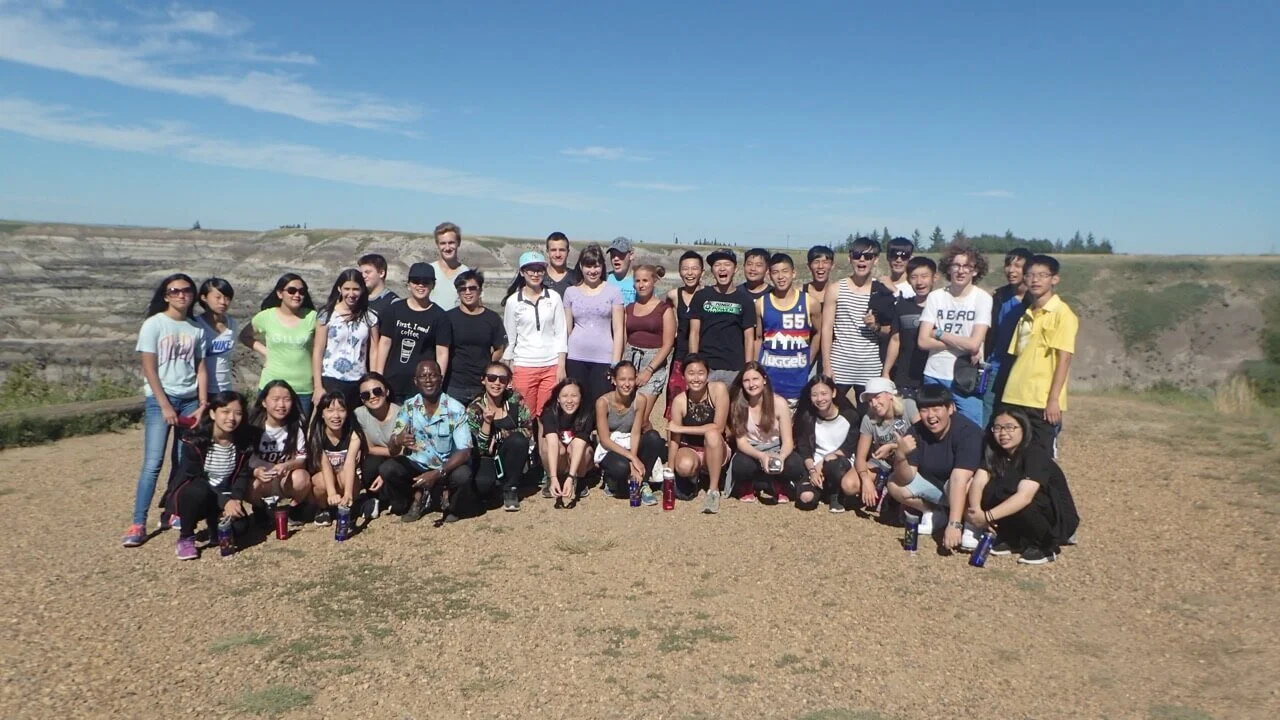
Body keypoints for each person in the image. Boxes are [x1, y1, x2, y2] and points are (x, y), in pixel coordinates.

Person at [122, 273, 209, 547]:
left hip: (189, 399)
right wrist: (163, 405)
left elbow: (200, 367)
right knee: (153, 463)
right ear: (166, 295)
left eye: (186, 291)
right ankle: (138, 521)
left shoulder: (196, 329)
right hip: (162, 399)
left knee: (183, 462)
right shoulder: (154, 325)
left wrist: (203, 403)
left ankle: (172, 511)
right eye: (175, 291)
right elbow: (148, 367)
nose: (181, 295)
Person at [964, 409, 1080, 565]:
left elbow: (1025, 497)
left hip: (1055, 518)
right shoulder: (996, 452)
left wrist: (987, 517)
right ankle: (1013, 539)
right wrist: (976, 512)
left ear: (1024, 429)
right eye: (998, 428)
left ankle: (1045, 547)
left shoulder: (1035, 453)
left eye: (1010, 427)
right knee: (991, 488)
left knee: (1022, 497)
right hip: (1026, 511)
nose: (1003, 433)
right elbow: (978, 481)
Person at [885, 385, 984, 551]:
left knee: (967, 482)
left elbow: (959, 477)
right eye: (924, 410)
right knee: (894, 483)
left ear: (950, 408)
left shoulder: (968, 431)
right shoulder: (916, 431)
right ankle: (935, 513)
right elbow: (907, 478)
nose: (930, 416)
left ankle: (970, 524)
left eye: (936, 409)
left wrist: (954, 524)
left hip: (962, 489)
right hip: (936, 489)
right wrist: (900, 455)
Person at [161, 390, 256, 560]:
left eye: (238, 413)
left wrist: (236, 499)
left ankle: (215, 525)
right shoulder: (196, 441)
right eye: (225, 412)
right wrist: (225, 501)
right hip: (195, 494)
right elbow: (194, 478)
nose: (232, 418)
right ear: (212, 413)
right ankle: (186, 537)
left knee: (241, 528)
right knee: (197, 490)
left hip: (223, 495)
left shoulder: (242, 443)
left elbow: (242, 475)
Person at [1000, 254, 1078, 457]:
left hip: (1040, 400)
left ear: (1054, 279)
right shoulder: (1026, 314)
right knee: (1013, 454)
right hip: (1015, 395)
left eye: (1042, 275)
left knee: (1040, 458)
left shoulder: (1063, 314)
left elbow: (1064, 358)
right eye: (1031, 275)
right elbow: (1018, 356)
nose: (1035, 280)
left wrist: (1054, 400)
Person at [381, 360, 474, 523]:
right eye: (423, 376)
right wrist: (398, 440)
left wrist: (438, 473)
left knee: (463, 475)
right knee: (388, 468)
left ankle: (448, 500)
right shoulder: (408, 407)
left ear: (441, 378)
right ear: (416, 381)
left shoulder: (455, 409)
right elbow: (392, 449)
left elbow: (465, 451)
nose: (428, 380)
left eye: (432, 375)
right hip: (417, 466)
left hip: (446, 468)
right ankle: (414, 498)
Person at [917, 243, 993, 426]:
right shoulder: (936, 297)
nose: (961, 271)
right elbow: (922, 341)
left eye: (967, 266)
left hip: (965, 377)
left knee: (972, 428)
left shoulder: (982, 299)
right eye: (956, 265)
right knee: (933, 427)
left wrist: (939, 332)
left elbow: (975, 344)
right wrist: (963, 342)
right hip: (934, 372)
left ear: (975, 271)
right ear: (948, 268)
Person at [822, 237, 895, 399]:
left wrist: (874, 326)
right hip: (839, 364)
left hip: (870, 367)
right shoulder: (836, 289)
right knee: (832, 413)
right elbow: (826, 328)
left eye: (868, 257)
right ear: (850, 258)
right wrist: (827, 365)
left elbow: (890, 331)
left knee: (868, 417)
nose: (862, 260)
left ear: (875, 260)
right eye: (857, 255)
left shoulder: (881, 291)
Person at [726, 362, 807, 504]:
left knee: (795, 465)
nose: (751, 384)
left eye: (755, 379)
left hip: (776, 447)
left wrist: (780, 457)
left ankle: (778, 481)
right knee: (741, 466)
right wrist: (761, 456)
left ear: (764, 380)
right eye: (746, 380)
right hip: (752, 450)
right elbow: (742, 442)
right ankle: (749, 483)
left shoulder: (779, 403)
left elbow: (788, 441)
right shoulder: (738, 404)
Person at [240, 274, 318, 416]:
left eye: (302, 291)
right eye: (292, 290)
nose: (297, 295)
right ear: (280, 293)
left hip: (303, 388)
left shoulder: (312, 317)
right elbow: (245, 336)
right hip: (272, 386)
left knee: (299, 434)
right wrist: (265, 351)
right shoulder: (266, 316)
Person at [502, 251, 568, 419]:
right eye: (530, 269)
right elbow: (510, 338)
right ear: (522, 272)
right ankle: (529, 445)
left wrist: (561, 365)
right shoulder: (513, 301)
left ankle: (544, 445)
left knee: (547, 415)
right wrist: (509, 366)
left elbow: (561, 333)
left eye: (539, 269)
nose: (535, 274)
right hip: (523, 365)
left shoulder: (553, 298)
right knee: (525, 415)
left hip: (550, 365)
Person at [375, 262, 452, 404]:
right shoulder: (394, 309)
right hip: (392, 382)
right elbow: (384, 343)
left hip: (422, 386)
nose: (420, 286)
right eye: (416, 281)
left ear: (433, 285)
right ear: (409, 284)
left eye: (426, 282)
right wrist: (378, 377)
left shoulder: (440, 316)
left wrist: (438, 382)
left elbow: (442, 352)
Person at [667, 354, 731, 514]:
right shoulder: (680, 401)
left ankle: (713, 490)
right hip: (691, 448)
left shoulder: (718, 390)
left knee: (712, 434)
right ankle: (695, 476)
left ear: (708, 373)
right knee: (684, 465)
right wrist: (669, 469)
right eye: (691, 373)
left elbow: (719, 427)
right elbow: (674, 437)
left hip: (715, 448)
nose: (696, 378)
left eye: (701, 373)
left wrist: (682, 429)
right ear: (683, 376)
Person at [594, 361, 667, 503]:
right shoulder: (603, 403)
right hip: (611, 448)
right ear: (614, 380)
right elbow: (604, 439)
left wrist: (634, 459)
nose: (627, 384)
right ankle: (611, 479)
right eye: (622, 379)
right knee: (621, 468)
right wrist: (632, 459)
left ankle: (643, 482)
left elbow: (635, 432)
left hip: (629, 442)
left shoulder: (640, 400)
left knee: (653, 437)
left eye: (631, 379)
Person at [467, 362, 534, 512]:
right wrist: (487, 422)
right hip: (486, 457)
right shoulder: (474, 408)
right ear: (483, 380)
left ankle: (511, 488)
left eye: (502, 379)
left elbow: (528, 430)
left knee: (518, 440)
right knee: (483, 485)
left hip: (509, 452)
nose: (497, 383)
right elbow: (480, 448)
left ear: (508, 382)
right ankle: (495, 486)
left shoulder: (515, 400)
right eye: (491, 378)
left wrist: (499, 435)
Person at [564, 243, 625, 406]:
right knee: (578, 402)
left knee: (601, 403)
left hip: (604, 358)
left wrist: (615, 362)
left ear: (602, 267)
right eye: (588, 266)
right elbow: (567, 330)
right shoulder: (570, 292)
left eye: (596, 266)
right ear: (581, 267)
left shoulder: (613, 292)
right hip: (575, 356)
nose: (592, 271)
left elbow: (619, 329)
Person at [755, 253, 818, 408]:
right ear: (769, 275)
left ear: (793, 273)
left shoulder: (810, 302)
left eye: (785, 271)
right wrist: (755, 369)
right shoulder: (761, 303)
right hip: (770, 382)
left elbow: (819, 333)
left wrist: (809, 359)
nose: (780, 277)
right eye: (775, 272)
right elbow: (758, 339)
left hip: (798, 382)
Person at [312, 269, 380, 411]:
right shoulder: (327, 314)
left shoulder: (370, 317)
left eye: (356, 289)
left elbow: (374, 350)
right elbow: (318, 351)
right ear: (339, 289)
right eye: (347, 289)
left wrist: (374, 381)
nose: (351, 293)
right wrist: (318, 386)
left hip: (358, 380)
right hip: (330, 377)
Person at [246, 380, 313, 521]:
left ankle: (295, 508)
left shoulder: (296, 427)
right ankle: (260, 508)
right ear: (264, 402)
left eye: (287, 400)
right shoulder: (253, 428)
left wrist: (287, 465)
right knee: (249, 486)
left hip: (285, 479)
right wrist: (256, 471)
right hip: (263, 480)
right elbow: (242, 461)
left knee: (303, 478)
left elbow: (301, 459)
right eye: (275, 399)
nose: (281, 405)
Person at [689, 249, 756, 386]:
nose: (722, 269)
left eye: (727, 264)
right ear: (712, 270)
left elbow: (749, 337)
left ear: (735, 268)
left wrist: (748, 368)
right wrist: (693, 364)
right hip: (706, 367)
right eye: (717, 265)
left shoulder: (745, 300)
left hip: (734, 368)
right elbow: (694, 332)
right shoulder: (701, 296)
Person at [794, 375, 860, 512]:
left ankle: (835, 494)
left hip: (840, 463)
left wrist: (822, 463)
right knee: (806, 499)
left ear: (833, 393)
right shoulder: (808, 417)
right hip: (815, 464)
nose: (820, 399)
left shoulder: (850, 415)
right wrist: (812, 470)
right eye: (814, 395)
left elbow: (848, 448)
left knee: (832, 463)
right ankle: (823, 491)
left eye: (824, 394)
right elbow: (804, 448)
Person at [851, 378, 919, 510]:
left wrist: (894, 446)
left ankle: (891, 494)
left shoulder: (908, 406)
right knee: (849, 484)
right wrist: (865, 480)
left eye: (877, 397)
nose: (874, 404)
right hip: (883, 463)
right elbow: (860, 457)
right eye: (870, 400)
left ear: (890, 395)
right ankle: (880, 488)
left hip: (910, 460)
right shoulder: (868, 418)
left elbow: (923, 439)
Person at [983, 248, 1034, 426]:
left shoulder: (1035, 300)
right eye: (1008, 265)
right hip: (995, 366)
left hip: (1022, 368)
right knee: (989, 413)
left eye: (1017, 266)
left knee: (1017, 417)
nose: (1011, 270)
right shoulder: (999, 296)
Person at [444, 270, 507, 408]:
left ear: (480, 290)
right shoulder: (448, 318)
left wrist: (487, 366)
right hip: (454, 385)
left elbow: (500, 348)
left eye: (472, 288)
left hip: (481, 385)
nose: (468, 292)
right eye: (463, 289)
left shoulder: (492, 318)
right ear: (458, 292)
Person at [623, 265, 675, 425]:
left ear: (654, 281)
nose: (641, 284)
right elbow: (624, 339)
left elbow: (668, 344)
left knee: (642, 417)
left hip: (653, 363)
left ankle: (651, 446)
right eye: (637, 281)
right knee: (628, 415)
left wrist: (649, 370)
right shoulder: (629, 309)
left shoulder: (664, 309)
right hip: (630, 360)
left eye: (645, 280)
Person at [305, 392, 365, 526]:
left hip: (347, 479)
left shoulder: (354, 433)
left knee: (345, 474)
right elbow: (324, 464)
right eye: (330, 410)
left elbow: (350, 463)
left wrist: (348, 493)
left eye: (341, 410)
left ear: (347, 412)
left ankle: (348, 505)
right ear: (322, 413)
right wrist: (331, 493)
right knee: (319, 480)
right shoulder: (317, 434)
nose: (336, 416)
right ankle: (323, 509)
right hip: (327, 480)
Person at [883, 257, 936, 397]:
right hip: (905, 377)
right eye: (914, 277)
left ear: (934, 278)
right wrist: (886, 372)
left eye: (924, 276)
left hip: (933, 376)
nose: (919, 282)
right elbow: (895, 340)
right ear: (908, 280)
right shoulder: (902, 306)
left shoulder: (942, 307)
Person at [539, 378, 595, 507]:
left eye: (574, 396)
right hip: (560, 457)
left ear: (581, 397)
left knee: (582, 448)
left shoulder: (588, 412)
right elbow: (552, 443)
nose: (569, 401)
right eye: (564, 396)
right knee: (546, 446)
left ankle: (579, 479)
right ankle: (552, 478)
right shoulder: (549, 412)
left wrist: (570, 477)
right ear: (558, 398)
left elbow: (580, 444)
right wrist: (553, 477)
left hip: (577, 456)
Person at [664, 250, 704, 419]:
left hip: (703, 357)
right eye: (685, 269)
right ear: (680, 271)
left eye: (694, 268)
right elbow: (668, 318)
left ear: (702, 272)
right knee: (675, 400)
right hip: (680, 356)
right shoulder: (674, 295)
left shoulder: (708, 296)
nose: (690, 273)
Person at [353, 372, 399, 516]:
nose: (372, 396)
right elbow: (370, 448)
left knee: (389, 468)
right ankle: (375, 499)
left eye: (377, 391)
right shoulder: (360, 414)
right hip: (382, 454)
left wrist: (384, 473)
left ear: (387, 391)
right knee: (370, 464)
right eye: (365, 395)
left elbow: (406, 450)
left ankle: (394, 497)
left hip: (402, 457)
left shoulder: (401, 413)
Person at [195, 277, 237, 393]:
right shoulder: (196, 325)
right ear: (204, 298)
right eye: (217, 297)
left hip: (225, 389)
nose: (223, 302)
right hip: (201, 390)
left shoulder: (232, 324)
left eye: (227, 298)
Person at [803, 245, 834, 376]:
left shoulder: (838, 292)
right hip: (806, 351)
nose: (820, 266)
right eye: (816, 262)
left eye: (825, 262)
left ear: (832, 265)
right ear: (809, 266)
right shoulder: (800, 292)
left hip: (832, 354)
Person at [428, 222, 470, 310]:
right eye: (443, 243)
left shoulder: (467, 273)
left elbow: (476, 306)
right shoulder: (429, 271)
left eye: (451, 243)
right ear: (437, 245)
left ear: (458, 243)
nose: (447, 248)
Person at [359, 253, 399, 317]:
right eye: (361, 273)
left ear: (381, 273)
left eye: (368, 272)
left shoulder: (393, 303)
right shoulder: (357, 298)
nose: (363, 276)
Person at [544, 231, 581, 298]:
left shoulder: (577, 278)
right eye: (553, 250)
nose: (558, 254)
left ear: (568, 252)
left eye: (562, 250)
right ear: (547, 252)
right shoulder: (538, 278)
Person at [606, 236, 637, 303]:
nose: (616, 258)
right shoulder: (605, 279)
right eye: (613, 254)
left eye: (620, 254)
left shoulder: (640, 280)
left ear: (631, 256)